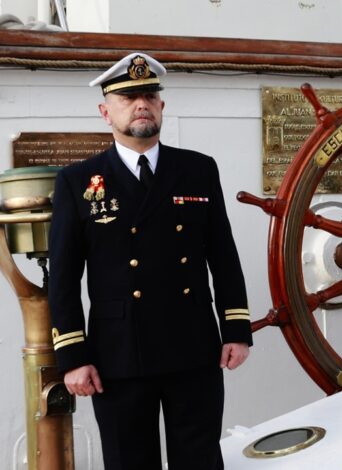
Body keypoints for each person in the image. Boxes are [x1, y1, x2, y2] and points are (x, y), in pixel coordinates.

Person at [48, 52, 253, 470]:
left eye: (148, 95)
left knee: (199, 459)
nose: (140, 104)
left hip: (193, 346)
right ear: (106, 112)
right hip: (118, 355)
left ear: (162, 106)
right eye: (127, 97)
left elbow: (223, 254)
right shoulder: (78, 181)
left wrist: (236, 328)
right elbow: (64, 279)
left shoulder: (197, 169)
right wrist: (73, 356)